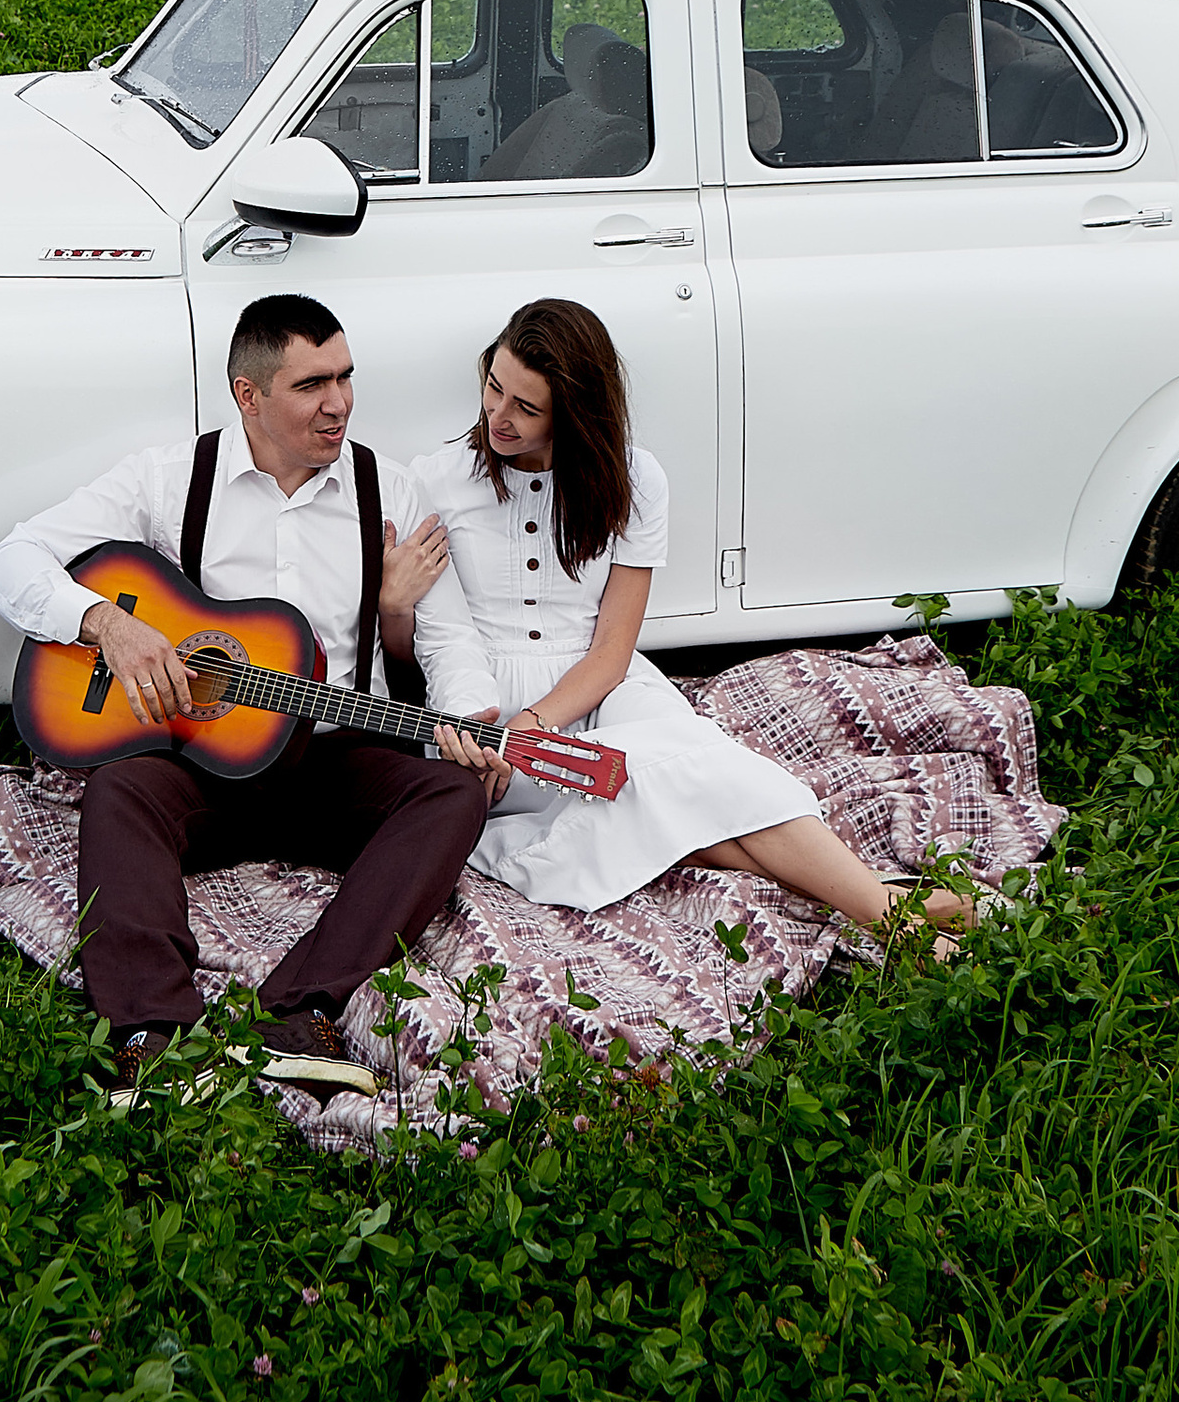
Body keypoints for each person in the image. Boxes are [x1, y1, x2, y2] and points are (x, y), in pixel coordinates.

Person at [0, 294, 508, 1105]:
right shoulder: (166, 479)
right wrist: (103, 627)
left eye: (347, 377)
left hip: (336, 761)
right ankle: (153, 1033)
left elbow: (448, 640)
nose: (339, 404)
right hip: (204, 769)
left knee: (452, 789)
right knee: (118, 792)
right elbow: (9, 563)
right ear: (248, 395)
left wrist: (470, 718)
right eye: (312, 385)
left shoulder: (387, 491)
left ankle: (299, 1010)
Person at [384, 296, 977, 939]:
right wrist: (493, 733)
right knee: (675, 791)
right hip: (485, 713)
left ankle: (889, 917)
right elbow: (447, 640)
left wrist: (540, 723)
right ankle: (893, 911)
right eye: (494, 389)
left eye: (527, 408)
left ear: (576, 414)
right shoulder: (435, 480)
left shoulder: (634, 480)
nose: (499, 416)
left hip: (600, 684)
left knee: (702, 764)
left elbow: (612, 652)